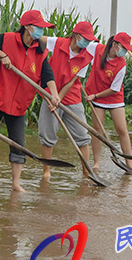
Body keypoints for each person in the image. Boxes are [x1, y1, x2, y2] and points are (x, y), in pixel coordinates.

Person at [0, 10, 60, 192]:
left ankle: (16, 183)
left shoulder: (40, 51)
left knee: (18, 145)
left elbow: (47, 75)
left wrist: (54, 95)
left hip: (19, 105)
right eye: (39, 27)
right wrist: (2, 55)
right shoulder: (8, 39)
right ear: (28, 27)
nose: (41, 31)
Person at [38, 21, 99, 180]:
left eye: (89, 40)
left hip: (71, 97)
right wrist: (51, 97)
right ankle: (47, 171)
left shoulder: (87, 57)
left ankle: (86, 173)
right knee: (48, 135)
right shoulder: (57, 43)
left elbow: (72, 82)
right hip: (48, 92)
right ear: (76, 35)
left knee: (81, 135)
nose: (87, 42)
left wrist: (58, 99)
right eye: (85, 38)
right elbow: (38, 39)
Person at [84, 32, 132, 172]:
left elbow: (114, 89)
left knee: (122, 130)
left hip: (113, 98)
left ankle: (129, 163)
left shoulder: (122, 64)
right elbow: (79, 49)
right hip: (96, 96)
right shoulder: (96, 49)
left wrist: (95, 95)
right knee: (98, 131)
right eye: (123, 48)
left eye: (126, 49)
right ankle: (96, 163)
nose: (124, 52)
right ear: (115, 45)